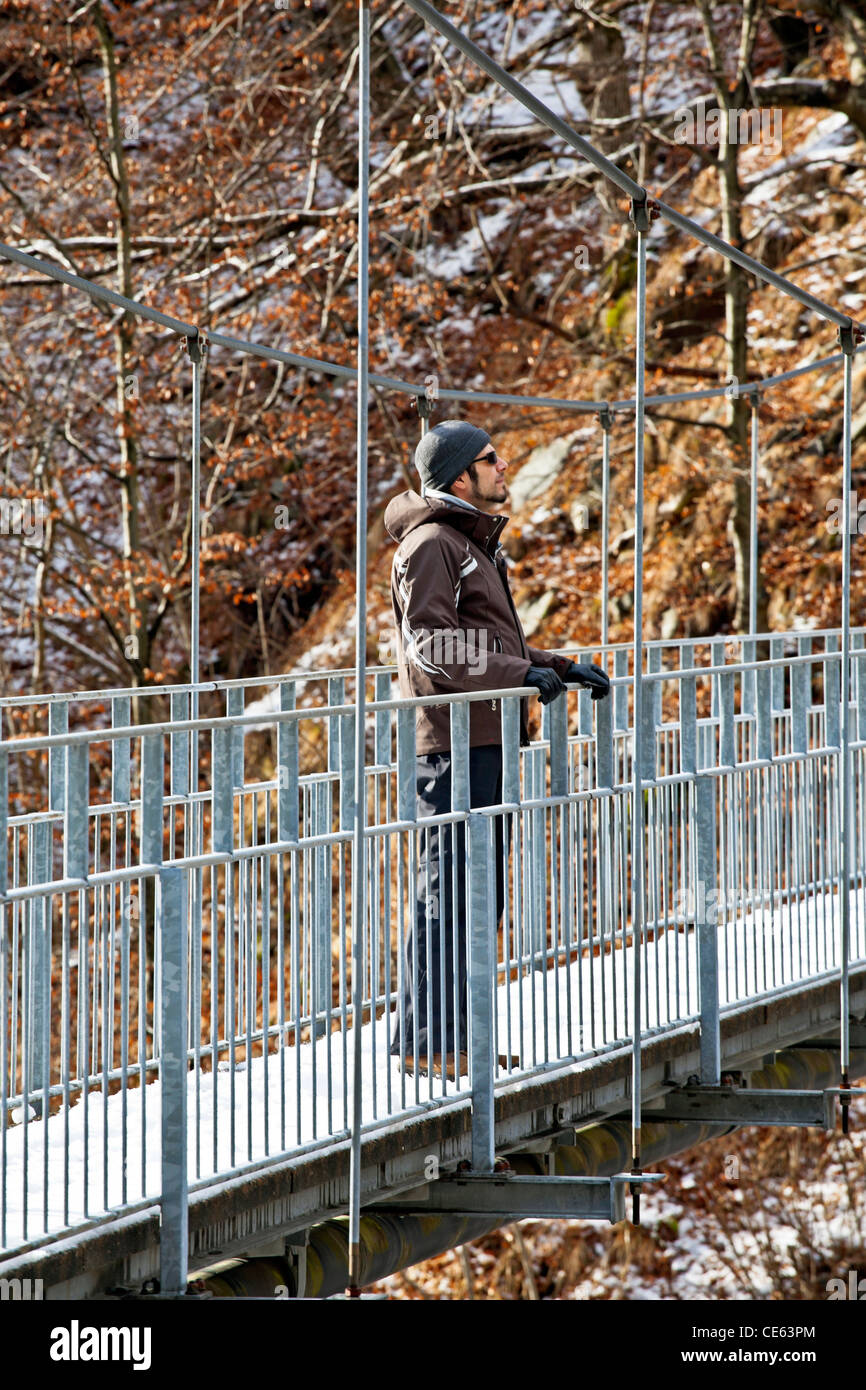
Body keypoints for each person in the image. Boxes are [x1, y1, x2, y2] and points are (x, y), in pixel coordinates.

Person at [384, 419, 610, 1078]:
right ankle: (433, 1046)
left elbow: (485, 641)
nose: (503, 466)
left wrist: (556, 665)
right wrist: (518, 676)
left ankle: (442, 1041)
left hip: (481, 739)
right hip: (454, 746)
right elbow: (432, 644)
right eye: (491, 459)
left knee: (473, 894)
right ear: (460, 476)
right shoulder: (433, 544)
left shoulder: (461, 542)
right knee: (449, 893)